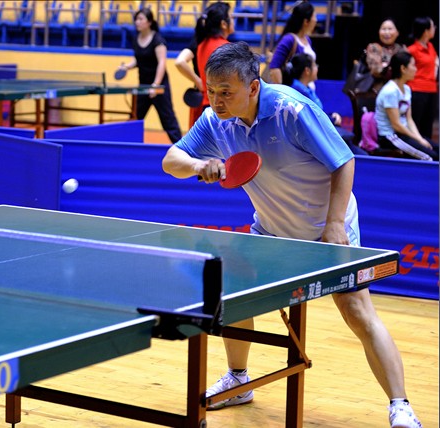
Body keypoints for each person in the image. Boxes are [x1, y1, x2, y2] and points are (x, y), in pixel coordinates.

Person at [162, 41, 423, 428]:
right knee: (233, 299)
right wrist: (200, 165)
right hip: (272, 231)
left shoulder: (291, 109)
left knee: (357, 312)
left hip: (327, 226)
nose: (216, 100)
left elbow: (344, 162)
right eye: (211, 90)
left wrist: (335, 223)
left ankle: (401, 407)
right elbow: (171, 160)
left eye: (226, 92)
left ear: (253, 87)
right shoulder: (215, 120)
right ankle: (239, 379)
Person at [117, 8, 182, 143]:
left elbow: (162, 63)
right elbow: (139, 59)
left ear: (150, 22)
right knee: (136, 117)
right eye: (136, 19)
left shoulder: (158, 40)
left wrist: (156, 85)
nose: (137, 22)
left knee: (168, 120)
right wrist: (126, 66)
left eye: (141, 19)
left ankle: (183, 148)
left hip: (159, 87)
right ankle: (127, 145)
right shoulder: (136, 39)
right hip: (143, 86)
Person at [289, 53, 367, 155]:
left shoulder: (305, 88)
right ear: (307, 71)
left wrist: (332, 115)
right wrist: (333, 119)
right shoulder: (298, 91)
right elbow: (313, 117)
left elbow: (317, 112)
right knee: (360, 154)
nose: (317, 68)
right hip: (316, 139)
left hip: (321, 133)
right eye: (315, 65)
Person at [375, 50, 438, 161]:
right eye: (413, 65)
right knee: (430, 158)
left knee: (437, 150)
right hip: (390, 136)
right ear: (403, 68)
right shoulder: (390, 91)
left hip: (404, 134)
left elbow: (409, 119)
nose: (416, 69)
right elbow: (396, 125)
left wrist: (419, 138)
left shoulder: (407, 89)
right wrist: (419, 140)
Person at [195, 2, 234, 111]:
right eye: (231, 17)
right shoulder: (226, 47)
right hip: (223, 108)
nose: (233, 21)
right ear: (223, 24)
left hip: (207, 106)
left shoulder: (202, 45)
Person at [267, 1, 317, 85]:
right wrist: (283, 90)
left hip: (307, 89)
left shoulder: (308, 40)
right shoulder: (289, 39)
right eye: (314, 16)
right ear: (306, 21)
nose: (316, 20)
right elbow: (274, 67)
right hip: (293, 90)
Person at [407, 17, 438, 141]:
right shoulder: (412, 50)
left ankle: (428, 149)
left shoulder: (431, 46)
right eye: (433, 26)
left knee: (428, 125)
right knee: (416, 124)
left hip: (432, 91)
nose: (435, 29)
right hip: (416, 91)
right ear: (426, 31)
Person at [365, 18, 407, 93]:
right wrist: (397, 71)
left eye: (390, 29)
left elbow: (408, 70)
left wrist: (386, 66)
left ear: (397, 32)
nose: (386, 32)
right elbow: (377, 70)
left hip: (399, 90)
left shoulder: (402, 48)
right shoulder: (374, 47)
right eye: (383, 29)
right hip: (379, 91)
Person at [174, 36, 203, 128]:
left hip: (202, 94)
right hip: (204, 96)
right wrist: (199, 81)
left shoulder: (198, 41)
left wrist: (198, 81)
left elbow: (180, 61)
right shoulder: (199, 41)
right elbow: (180, 62)